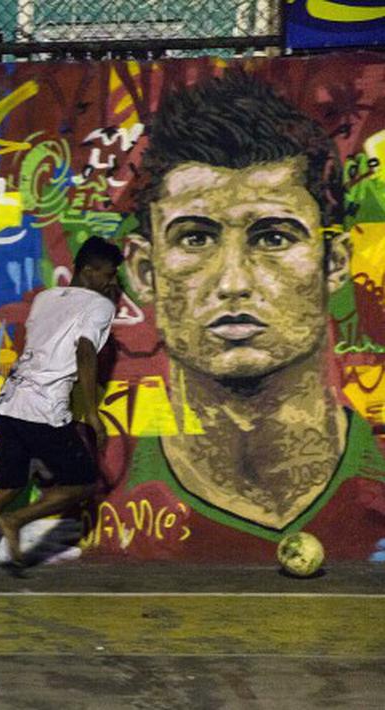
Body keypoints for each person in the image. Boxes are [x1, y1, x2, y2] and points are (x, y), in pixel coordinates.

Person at [116, 72, 385, 559]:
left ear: (336, 262)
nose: (233, 282)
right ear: (144, 269)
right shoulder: (106, 489)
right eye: (195, 237)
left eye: (273, 237)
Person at [0, 236, 122, 574]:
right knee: (82, 483)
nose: (111, 283)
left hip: (11, 403)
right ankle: (17, 520)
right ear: (88, 270)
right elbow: (84, 350)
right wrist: (93, 415)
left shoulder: (45, 299)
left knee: (8, 486)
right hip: (44, 409)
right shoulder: (98, 307)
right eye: (108, 275)